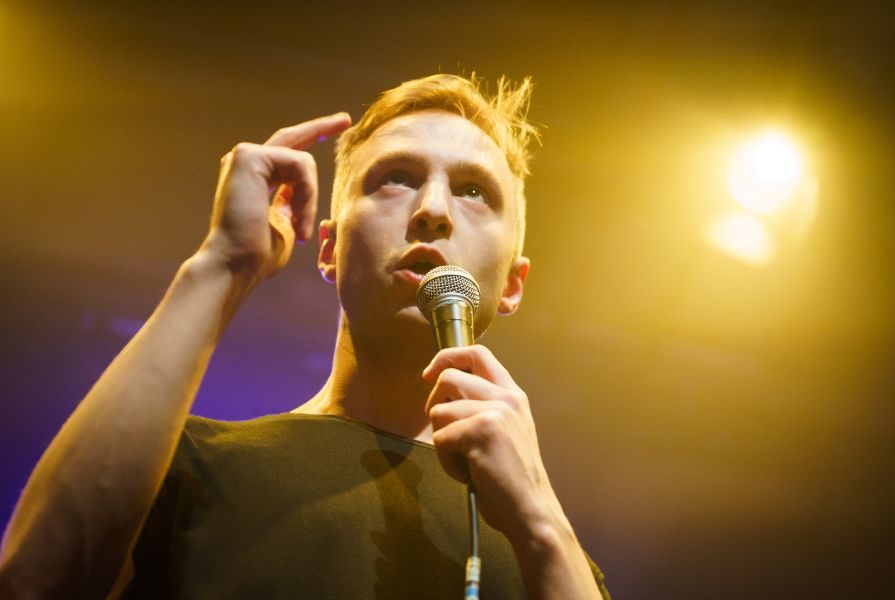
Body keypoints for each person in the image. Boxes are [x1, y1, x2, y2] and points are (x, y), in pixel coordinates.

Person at [0, 74, 609, 599]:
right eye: (395, 177)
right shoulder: (187, 462)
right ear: (328, 248)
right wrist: (222, 264)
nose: (433, 209)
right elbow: (33, 583)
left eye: (474, 190)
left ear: (512, 285)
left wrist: (541, 522)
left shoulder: (552, 554)